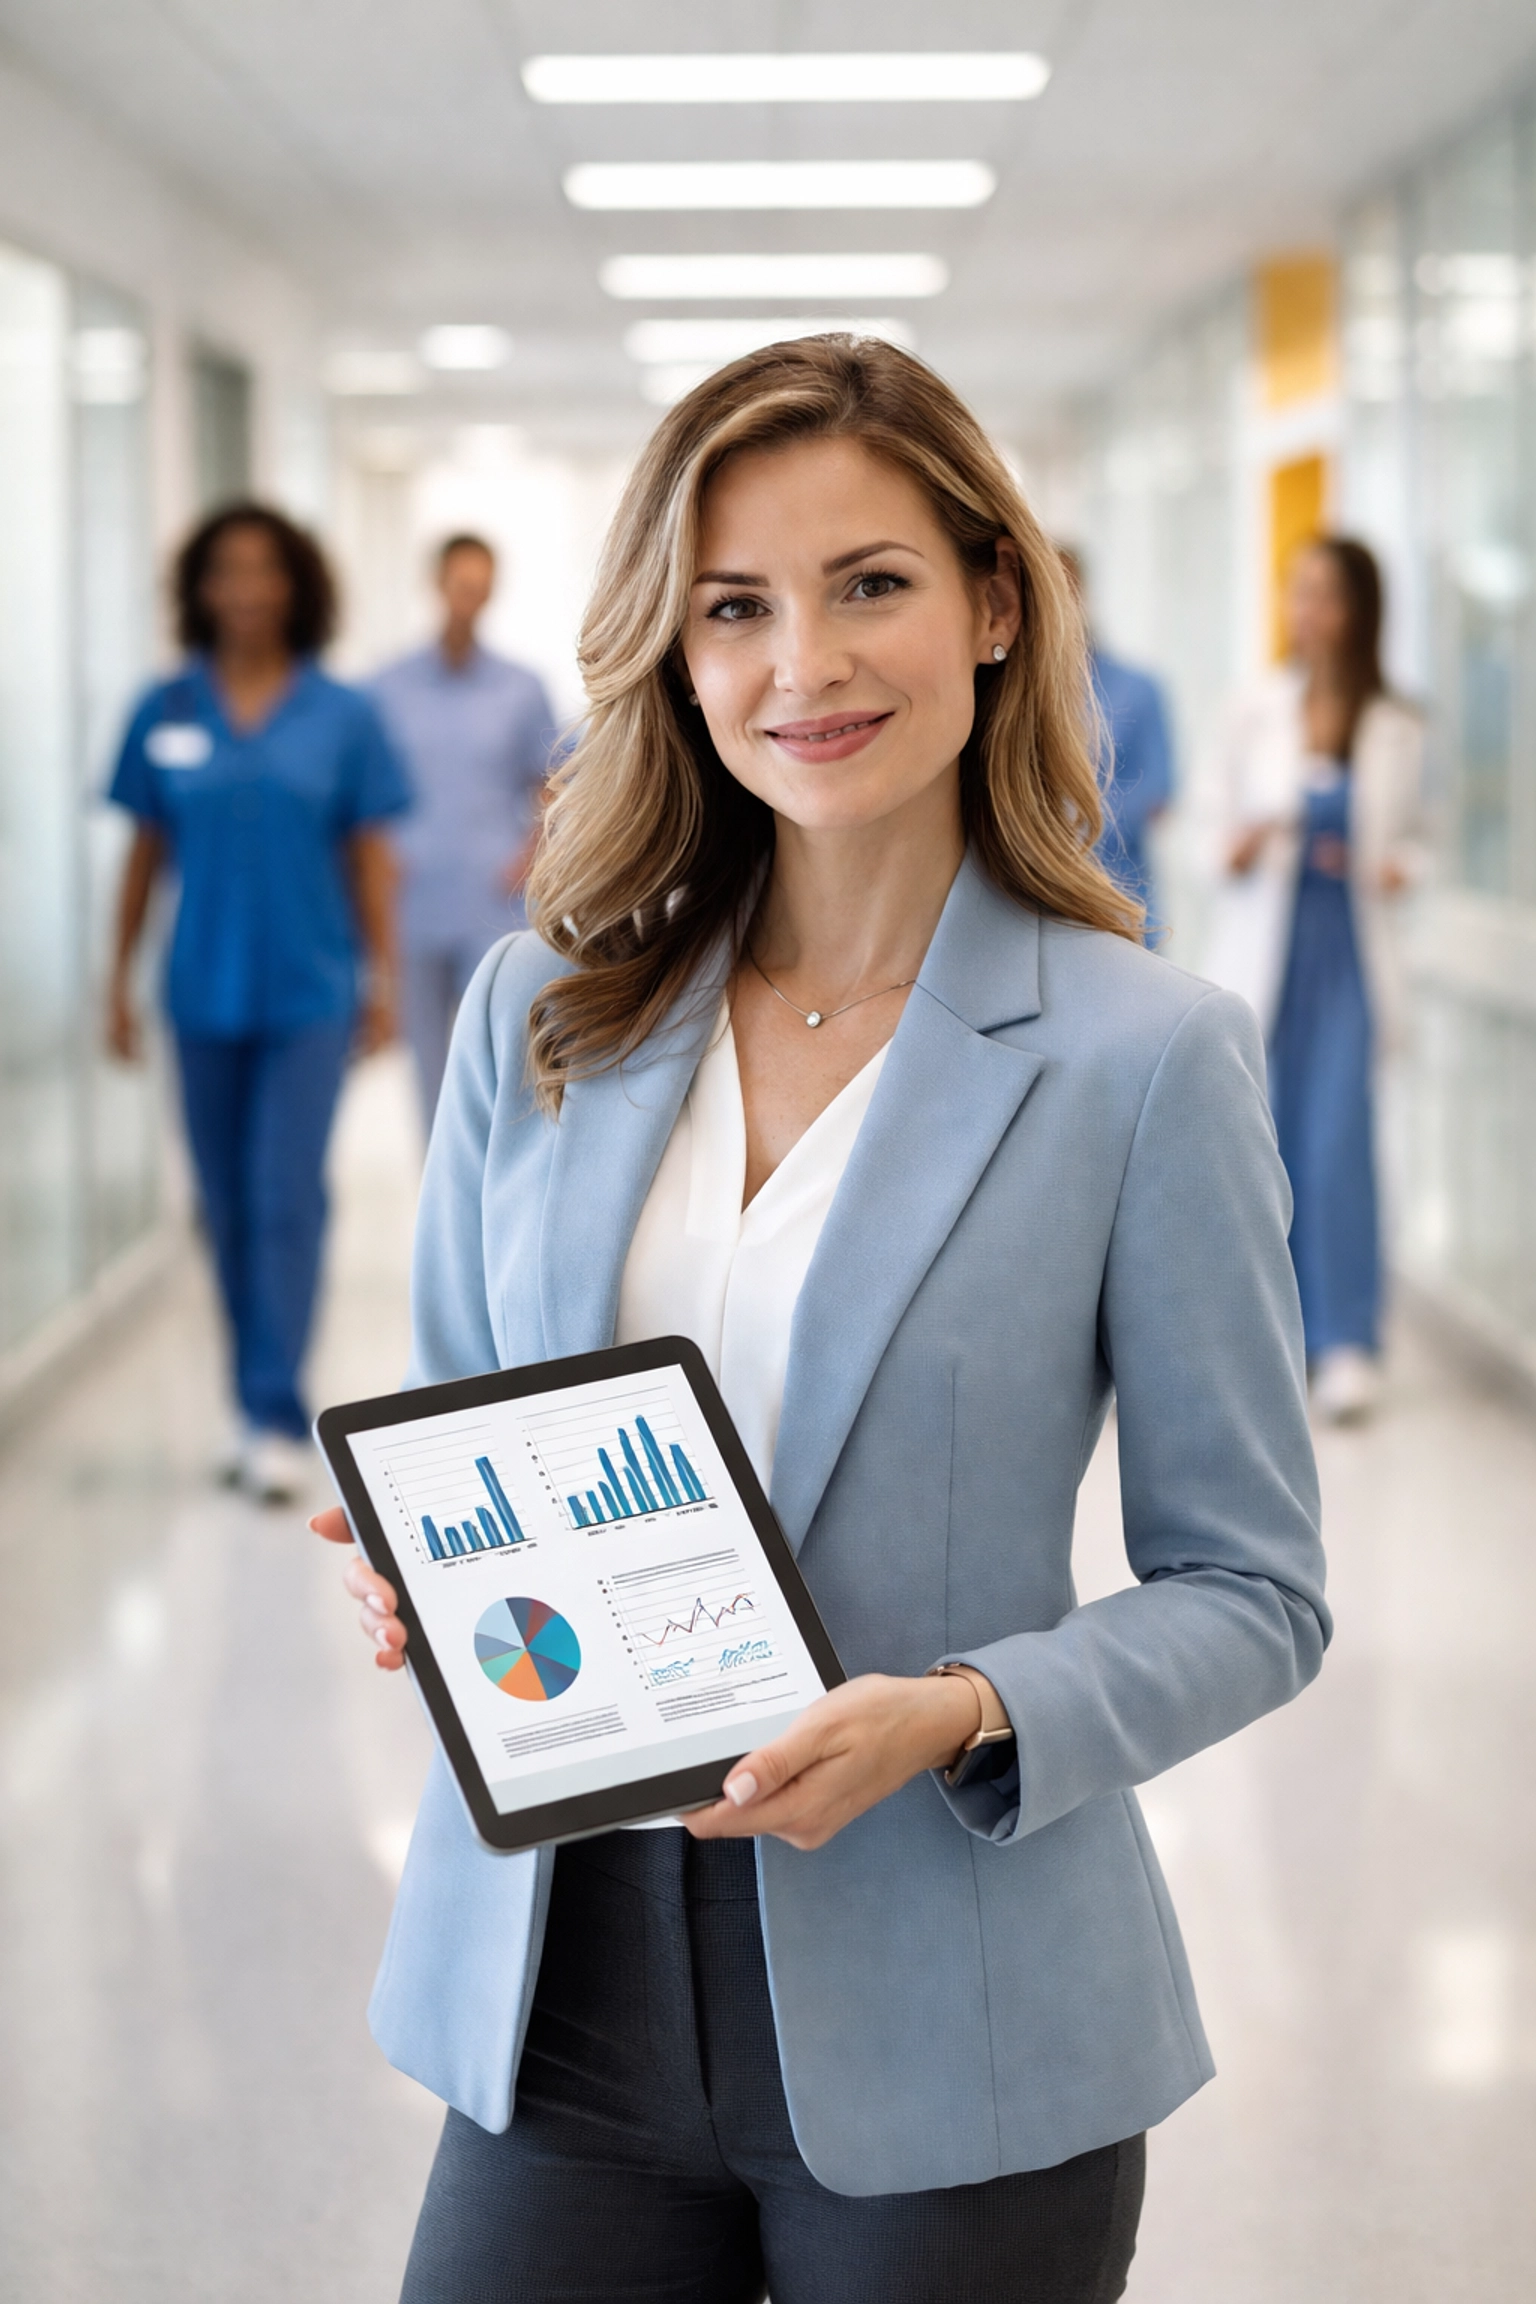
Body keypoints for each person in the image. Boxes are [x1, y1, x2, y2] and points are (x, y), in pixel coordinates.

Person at [313, 336, 1328, 2302]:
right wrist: (426, 1582)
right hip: (553, 1992)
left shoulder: (1145, 1061)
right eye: (736, 609)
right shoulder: (539, 1015)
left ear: (995, 604)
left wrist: (965, 1711)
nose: (808, 665)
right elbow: (457, 1424)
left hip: (956, 2009)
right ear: (673, 656)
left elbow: (1256, 1591)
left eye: (872, 584)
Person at [107, 503, 411, 1504]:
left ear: (297, 587)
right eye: (224, 572)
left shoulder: (342, 714)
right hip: (198, 993)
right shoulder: (167, 710)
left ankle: (276, 1410)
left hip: (308, 994)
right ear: (198, 589)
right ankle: (249, 1397)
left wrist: (384, 981)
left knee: (285, 1198)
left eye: (264, 570)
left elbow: (371, 857)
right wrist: (115, 984)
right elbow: (144, 856)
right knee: (223, 1205)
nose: (244, 590)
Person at [1202, 537, 1425, 1425]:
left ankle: (1346, 1342)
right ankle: (1276, 1340)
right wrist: (1248, 840)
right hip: (1270, 954)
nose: (1308, 613)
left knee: (1338, 1149)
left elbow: (1423, 835)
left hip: (1350, 959)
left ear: (1360, 610)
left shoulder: (1399, 724)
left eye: (1325, 596)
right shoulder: (1257, 708)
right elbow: (1212, 828)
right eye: (1299, 594)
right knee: (1267, 1152)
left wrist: (1401, 865)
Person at [371, 534, 559, 1122]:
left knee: (503, 1058)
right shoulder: (385, 689)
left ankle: (498, 1192)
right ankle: (441, 1198)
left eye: (480, 587)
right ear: (437, 585)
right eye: (460, 585)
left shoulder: (521, 687)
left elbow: (550, 786)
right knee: (427, 1066)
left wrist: (533, 855)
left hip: (494, 899)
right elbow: (361, 803)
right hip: (413, 901)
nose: (468, 598)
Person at [1058, 547, 1174, 942]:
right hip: (1037, 908)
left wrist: (1071, 825)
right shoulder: (1002, 697)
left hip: (1124, 902)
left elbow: (1158, 791)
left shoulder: (1138, 689)